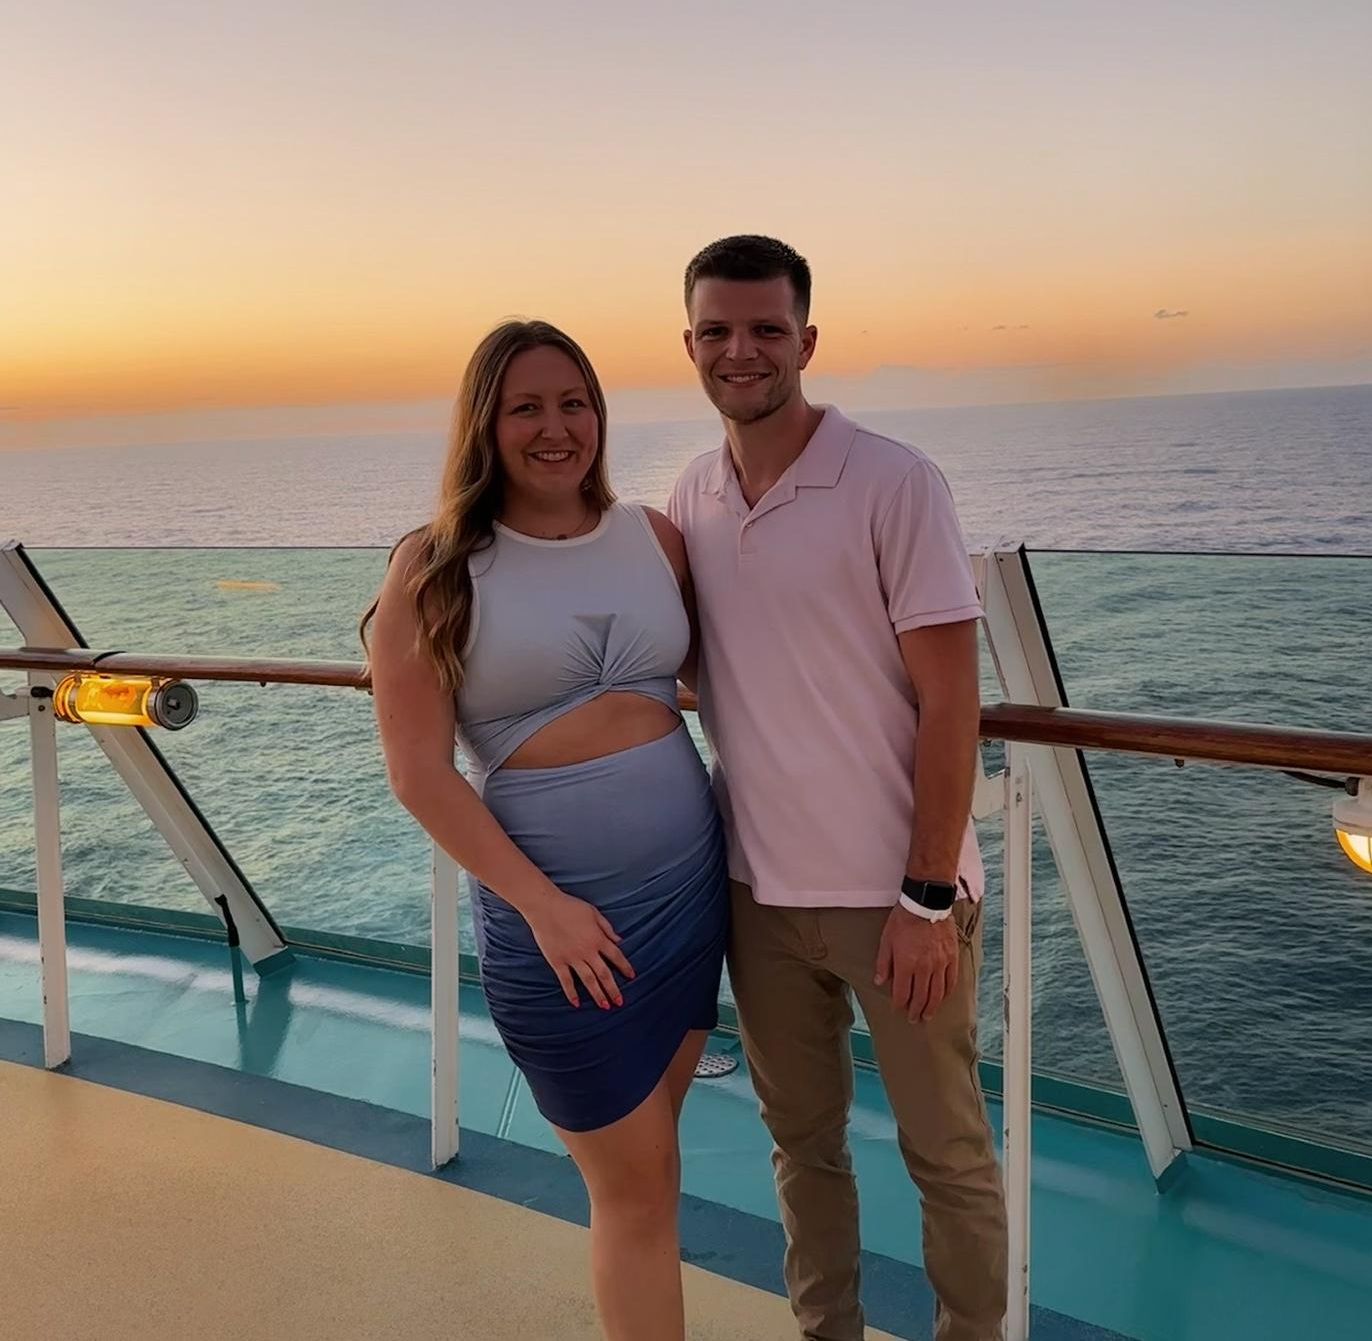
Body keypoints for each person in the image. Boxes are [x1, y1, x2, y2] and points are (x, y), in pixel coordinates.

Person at [667, 236, 1006, 1341]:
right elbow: (698, 663)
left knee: (945, 1152)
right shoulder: (693, 493)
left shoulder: (894, 482)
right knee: (801, 1147)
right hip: (757, 896)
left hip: (894, 899)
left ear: (807, 341)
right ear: (689, 345)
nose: (742, 351)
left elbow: (952, 702)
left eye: (766, 329)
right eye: (717, 331)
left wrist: (926, 898)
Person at [363, 319, 727, 1341]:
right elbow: (418, 774)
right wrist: (545, 908)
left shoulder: (653, 537)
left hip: (688, 903)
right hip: (560, 929)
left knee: (654, 1167)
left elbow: (734, 677)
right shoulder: (436, 567)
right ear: (485, 424)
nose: (555, 427)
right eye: (525, 407)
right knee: (637, 1190)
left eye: (574, 403)